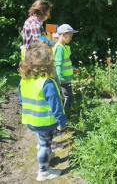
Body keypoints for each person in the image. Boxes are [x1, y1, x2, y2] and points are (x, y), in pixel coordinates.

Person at [18, 41, 66, 181]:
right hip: (45, 121)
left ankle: (48, 154)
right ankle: (43, 172)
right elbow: (56, 105)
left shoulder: (24, 80)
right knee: (44, 145)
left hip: (32, 119)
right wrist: (61, 121)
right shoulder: (47, 83)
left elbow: (22, 99)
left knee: (44, 140)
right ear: (48, 62)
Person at [53, 24, 79, 114]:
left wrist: (72, 69)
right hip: (63, 79)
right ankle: (65, 115)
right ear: (63, 34)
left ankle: (67, 114)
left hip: (67, 78)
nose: (71, 38)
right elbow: (58, 65)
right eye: (70, 36)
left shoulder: (64, 47)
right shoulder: (59, 48)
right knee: (67, 97)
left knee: (68, 96)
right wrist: (60, 78)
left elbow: (66, 63)